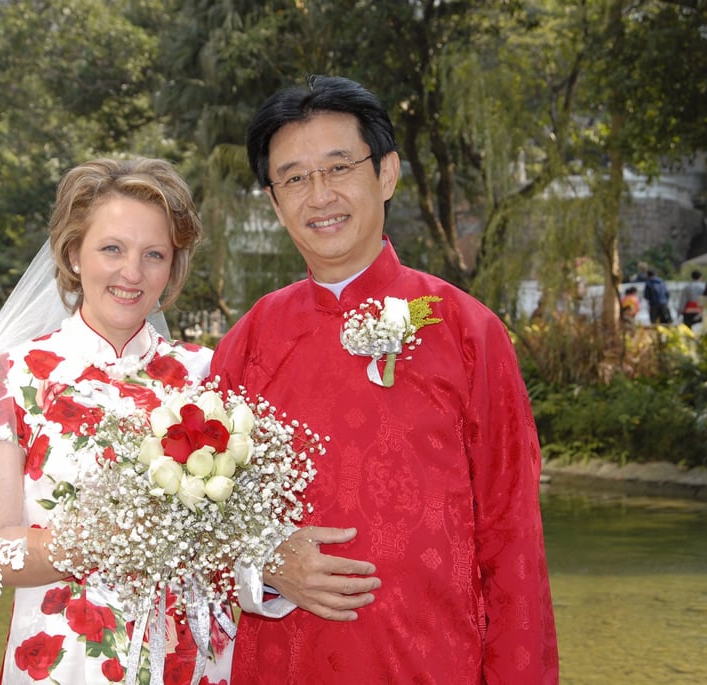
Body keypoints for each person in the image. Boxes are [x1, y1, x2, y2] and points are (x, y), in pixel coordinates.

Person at [211, 75, 558, 683]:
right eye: (293, 177)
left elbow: (512, 540)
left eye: (339, 167)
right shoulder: (251, 341)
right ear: (273, 201)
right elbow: (199, 526)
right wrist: (262, 561)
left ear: (388, 173)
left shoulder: (466, 332)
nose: (319, 195)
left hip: (430, 662)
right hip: (281, 663)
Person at [0, 158, 233, 684]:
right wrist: (116, 535)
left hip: (190, 655)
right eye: (112, 248)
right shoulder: (13, 378)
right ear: (72, 253)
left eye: (153, 254)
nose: (132, 272)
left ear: (172, 267)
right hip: (68, 658)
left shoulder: (207, 375)